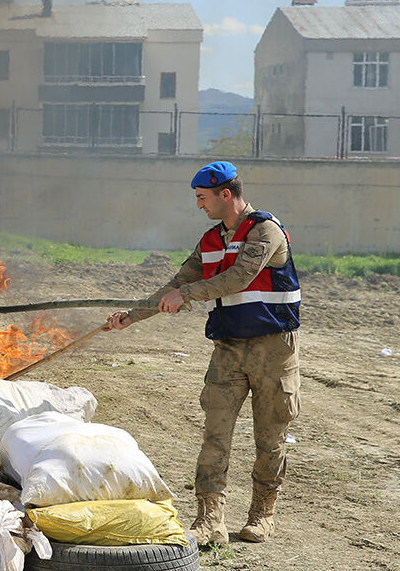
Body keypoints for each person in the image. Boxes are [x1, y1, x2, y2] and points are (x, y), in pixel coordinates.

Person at [107, 161, 300, 546]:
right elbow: (178, 283)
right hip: (228, 347)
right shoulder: (211, 240)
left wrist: (187, 296)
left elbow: (238, 278)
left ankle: (263, 514)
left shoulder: (265, 231)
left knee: (270, 436)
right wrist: (132, 316)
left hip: (273, 350)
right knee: (215, 435)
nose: (199, 206)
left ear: (225, 194)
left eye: (202, 198)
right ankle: (210, 518)